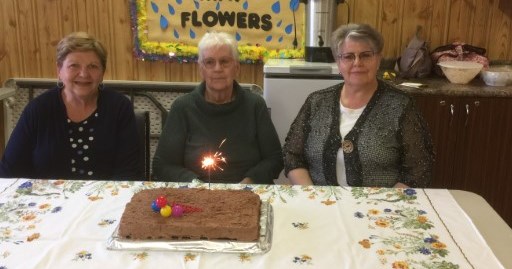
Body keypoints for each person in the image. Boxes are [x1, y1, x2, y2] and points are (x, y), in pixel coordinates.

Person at [283, 23, 434, 188]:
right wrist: (313, 196)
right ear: (338, 62)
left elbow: (419, 168)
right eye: (348, 56)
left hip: (381, 208)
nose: (357, 62)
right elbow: (292, 155)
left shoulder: (401, 105)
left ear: (378, 59)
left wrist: (383, 207)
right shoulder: (316, 102)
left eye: (366, 55)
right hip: (322, 205)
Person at [0, 32, 140, 180]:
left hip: (105, 200)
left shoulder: (119, 107)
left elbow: (129, 172)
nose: (84, 74)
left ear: (102, 72)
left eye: (93, 66)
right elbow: (8, 171)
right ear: (59, 70)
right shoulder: (38, 109)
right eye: (74, 66)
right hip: (48, 200)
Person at [152, 31, 283, 184]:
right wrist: (194, 184)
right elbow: (162, 165)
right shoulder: (183, 107)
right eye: (209, 62)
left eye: (224, 61)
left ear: (237, 68)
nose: (217, 68)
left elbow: (274, 159)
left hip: (247, 192)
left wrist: (249, 182)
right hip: (196, 194)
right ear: (201, 70)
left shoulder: (255, 105)